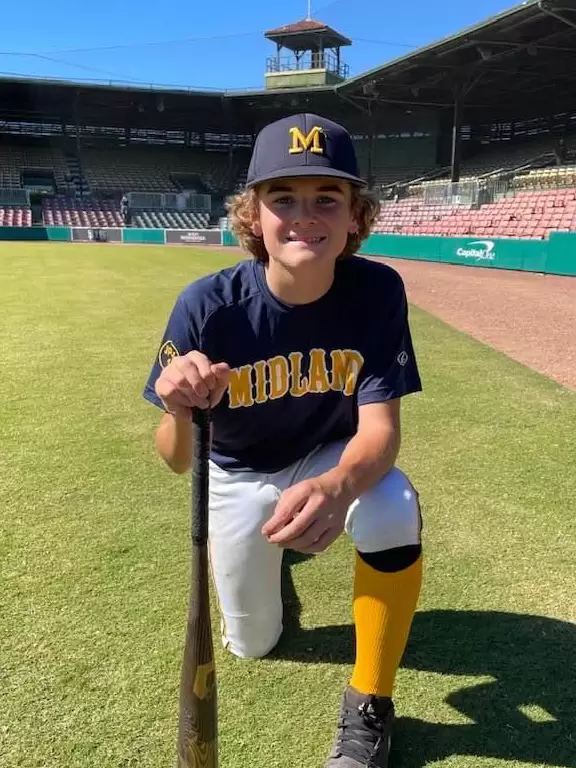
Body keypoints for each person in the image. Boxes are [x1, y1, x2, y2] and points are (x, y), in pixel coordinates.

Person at [142, 113, 424, 768]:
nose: (305, 216)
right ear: (254, 214)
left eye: (327, 198)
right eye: (283, 198)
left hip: (328, 456)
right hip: (237, 472)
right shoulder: (207, 306)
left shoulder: (377, 291)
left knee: (392, 504)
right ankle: (268, 562)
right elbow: (177, 460)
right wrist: (178, 408)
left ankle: (370, 702)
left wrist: (338, 486)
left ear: (355, 216)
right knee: (255, 643)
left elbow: (381, 431)